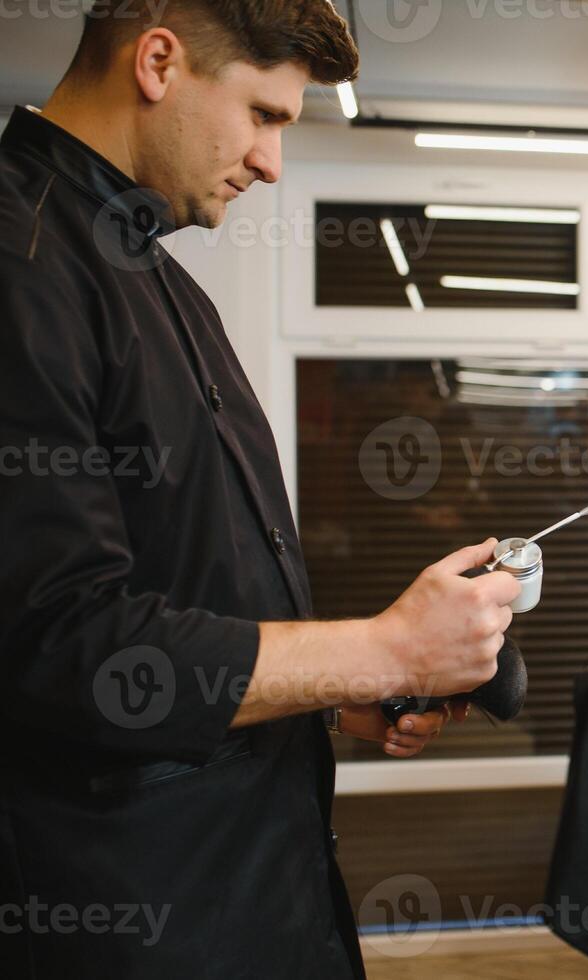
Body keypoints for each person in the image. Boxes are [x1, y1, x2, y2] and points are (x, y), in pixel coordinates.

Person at [0, 4, 520, 976]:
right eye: (265, 115)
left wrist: (346, 687)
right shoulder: (21, 268)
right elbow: (59, 644)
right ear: (158, 59)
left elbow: (189, 600)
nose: (272, 161)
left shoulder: (162, 284)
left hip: (259, 896)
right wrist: (383, 645)